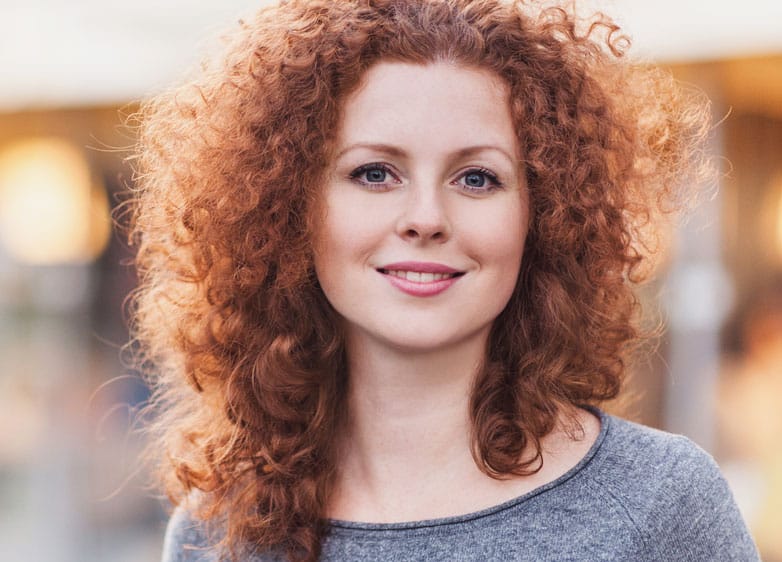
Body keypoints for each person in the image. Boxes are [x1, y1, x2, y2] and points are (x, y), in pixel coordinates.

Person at [129, 0, 759, 560]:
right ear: (289, 207)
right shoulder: (219, 534)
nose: (426, 219)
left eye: (477, 178)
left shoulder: (659, 504)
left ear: (542, 216)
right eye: (375, 174)